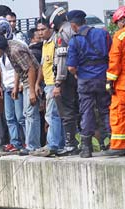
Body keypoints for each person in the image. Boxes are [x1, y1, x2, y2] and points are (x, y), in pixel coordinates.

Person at [66, 10, 112, 158]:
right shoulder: (103, 34)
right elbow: (111, 54)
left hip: (85, 80)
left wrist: (77, 75)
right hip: (103, 77)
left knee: (87, 111)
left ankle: (86, 148)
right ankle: (111, 142)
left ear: (73, 25)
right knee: (106, 109)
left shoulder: (74, 40)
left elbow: (71, 67)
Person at [0, 35, 42, 155]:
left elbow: (31, 69)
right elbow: (18, 69)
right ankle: (31, 144)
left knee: (30, 114)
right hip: (25, 81)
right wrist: (16, 87)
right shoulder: (9, 49)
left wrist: (32, 91)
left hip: (30, 81)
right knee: (26, 114)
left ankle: (33, 145)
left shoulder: (15, 50)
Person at [45, 5, 80, 155]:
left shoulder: (62, 35)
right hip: (80, 76)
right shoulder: (75, 29)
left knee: (66, 113)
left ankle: (70, 145)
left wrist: (58, 83)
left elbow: (61, 61)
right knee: (80, 111)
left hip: (67, 79)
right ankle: (81, 143)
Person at [105, 6, 125, 156]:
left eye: (117, 22)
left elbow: (115, 60)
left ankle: (118, 145)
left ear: (123, 20)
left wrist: (109, 80)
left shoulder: (120, 35)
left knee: (119, 112)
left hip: (123, 81)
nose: (117, 25)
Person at [34, 18, 64, 156]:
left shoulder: (56, 41)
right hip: (47, 83)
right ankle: (59, 143)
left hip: (54, 82)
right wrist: (37, 83)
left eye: (43, 29)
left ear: (50, 29)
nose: (40, 33)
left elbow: (60, 63)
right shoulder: (45, 44)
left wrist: (57, 83)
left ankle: (53, 144)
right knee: (54, 114)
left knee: (52, 114)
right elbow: (42, 65)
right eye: (38, 30)